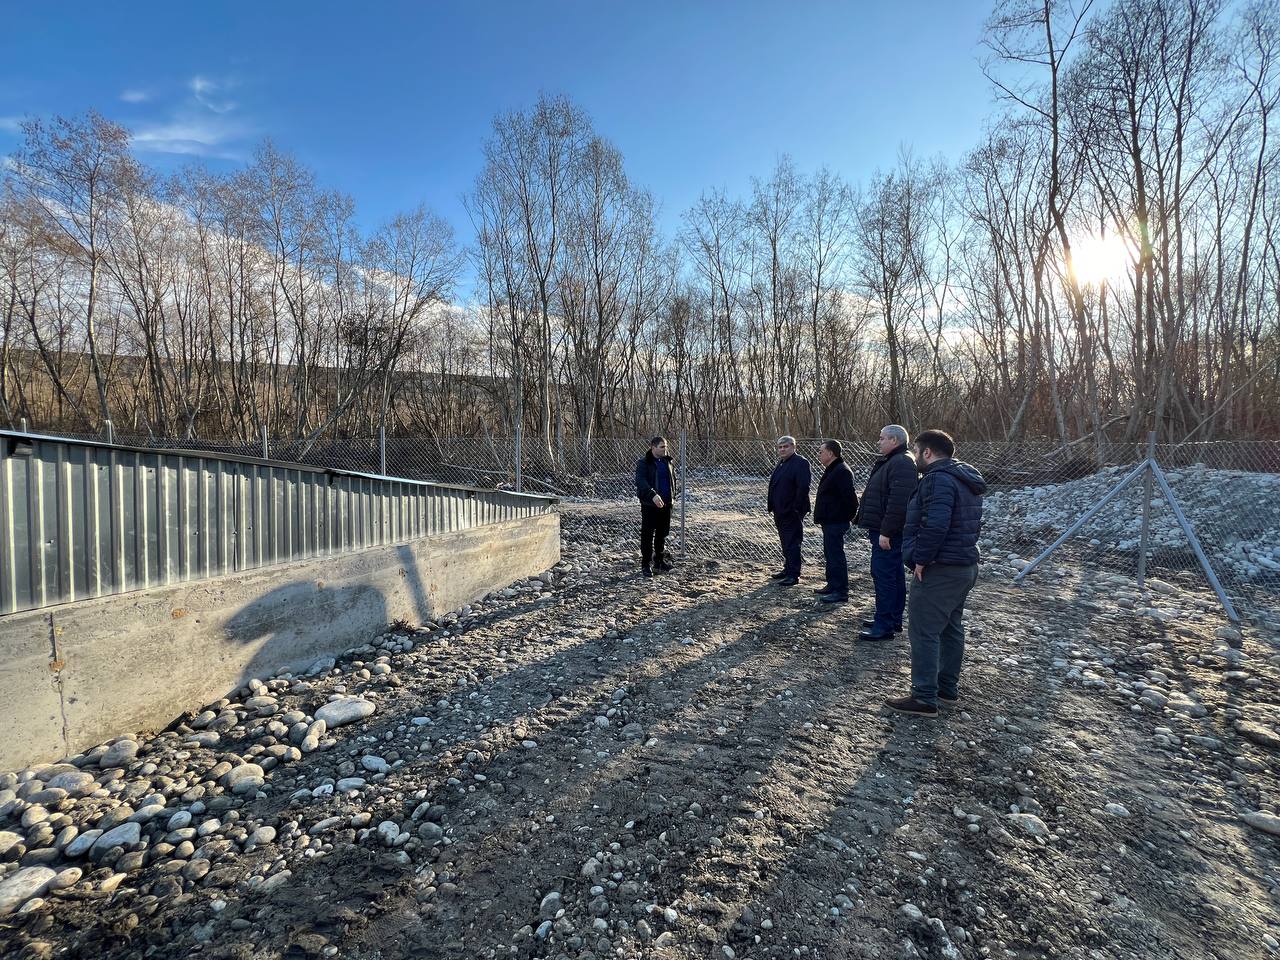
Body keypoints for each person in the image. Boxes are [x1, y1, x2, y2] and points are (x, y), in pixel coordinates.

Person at [886, 429, 987, 717]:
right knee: (951, 627)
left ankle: (924, 696)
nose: (915, 456)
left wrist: (921, 559)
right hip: (964, 566)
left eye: (917, 450)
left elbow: (936, 524)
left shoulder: (937, 480)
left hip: (940, 569)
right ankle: (946, 687)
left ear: (927, 452)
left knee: (924, 630)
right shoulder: (964, 478)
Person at [855, 425, 919, 640]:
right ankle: (891, 618)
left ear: (894, 440)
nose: (879, 442)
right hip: (884, 530)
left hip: (888, 533)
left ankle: (884, 625)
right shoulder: (895, 460)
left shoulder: (901, 462)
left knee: (885, 576)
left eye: (882, 438)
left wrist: (887, 531)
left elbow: (899, 502)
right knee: (892, 574)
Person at [812, 440, 858, 604]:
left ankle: (840, 591)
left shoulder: (841, 471)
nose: (819, 454)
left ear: (831, 453)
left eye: (821, 451)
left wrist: (843, 517)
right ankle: (832, 585)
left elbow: (851, 500)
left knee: (836, 556)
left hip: (836, 522)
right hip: (830, 521)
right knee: (830, 555)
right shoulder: (833, 469)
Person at [765, 435, 811, 586]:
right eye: (780, 447)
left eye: (786, 446)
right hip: (780, 511)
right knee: (785, 541)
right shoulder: (782, 463)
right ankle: (787, 568)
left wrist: (796, 508)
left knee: (792, 542)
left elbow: (803, 487)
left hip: (792, 512)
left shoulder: (801, 463)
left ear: (793, 447)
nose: (782, 449)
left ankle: (793, 574)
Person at [634, 436, 676, 577]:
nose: (665, 449)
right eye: (662, 447)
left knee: (662, 534)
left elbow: (671, 480)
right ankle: (646, 564)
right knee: (647, 535)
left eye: (665, 446)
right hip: (650, 505)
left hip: (666, 504)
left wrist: (672, 496)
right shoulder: (644, 463)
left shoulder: (668, 462)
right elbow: (640, 481)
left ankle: (659, 561)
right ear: (653, 447)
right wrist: (653, 495)